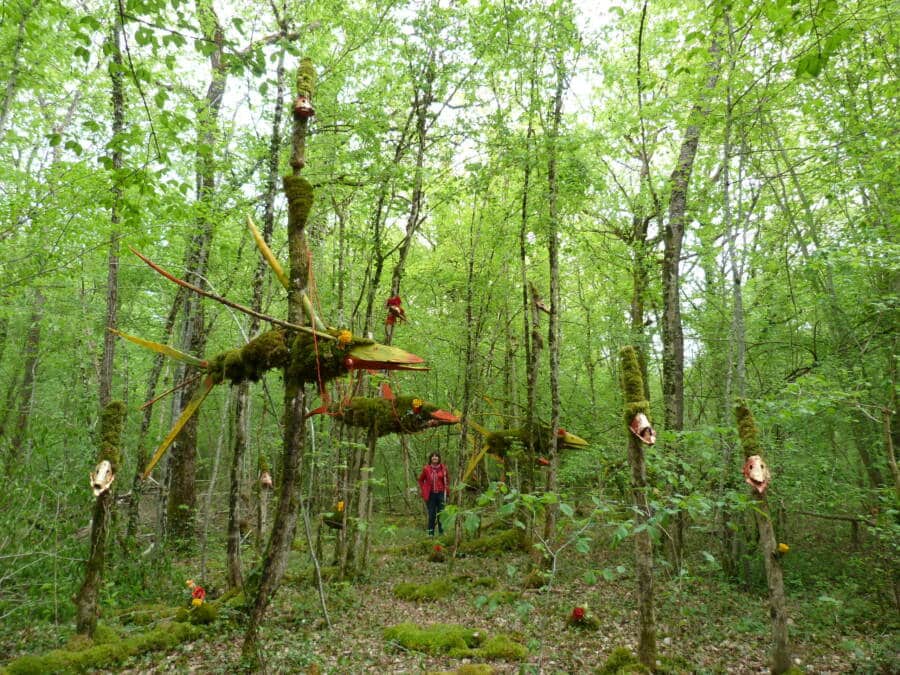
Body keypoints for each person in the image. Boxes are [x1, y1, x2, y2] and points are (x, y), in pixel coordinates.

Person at [418, 452, 449, 536]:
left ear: (439, 458)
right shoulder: (426, 469)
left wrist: (447, 492)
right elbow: (420, 480)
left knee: (441, 514)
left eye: (436, 456)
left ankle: (441, 533)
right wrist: (424, 488)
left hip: (441, 494)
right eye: (433, 456)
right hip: (430, 495)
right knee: (432, 515)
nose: (434, 457)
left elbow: (447, 481)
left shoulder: (443, 468)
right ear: (431, 458)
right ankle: (430, 533)